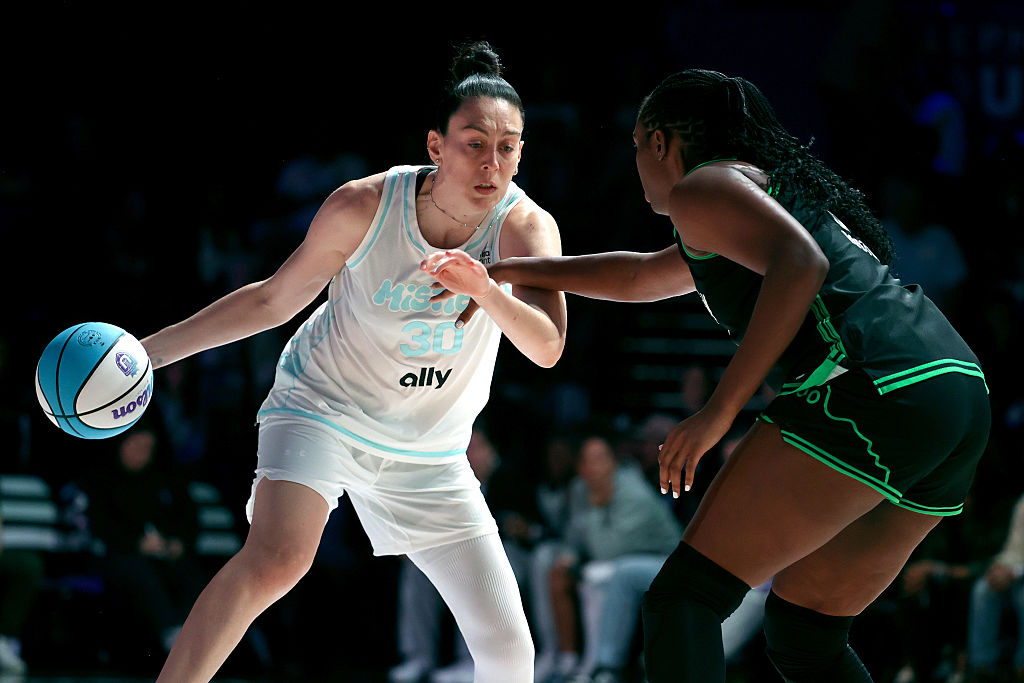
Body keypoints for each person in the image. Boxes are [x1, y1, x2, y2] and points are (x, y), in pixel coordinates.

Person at [450, 69, 991, 682]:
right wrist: (509, 272)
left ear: (659, 142)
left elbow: (800, 264)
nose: (637, 165)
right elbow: (642, 276)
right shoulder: (751, 194)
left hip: (876, 382)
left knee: (685, 599)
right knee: (804, 631)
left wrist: (718, 411)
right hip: (955, 391)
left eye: (635, 146)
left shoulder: (703, 187)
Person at [138, 40, 565, 683]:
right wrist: (150, 353)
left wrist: (484, 290)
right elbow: (275, 299)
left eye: (507, 146)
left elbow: (547, 348)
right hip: (323, 407)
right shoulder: (364, 205)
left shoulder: (526, 227)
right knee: (280, 558)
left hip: (432, 449)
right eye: (474, 142)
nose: (491, 161)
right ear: (436, 146)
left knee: (510, 652)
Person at [968, 492, 1024, 681]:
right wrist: (999, 566)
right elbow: (1014, 548)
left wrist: (1014, 572)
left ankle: (1021, 666)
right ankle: (983, 666)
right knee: (983, 589)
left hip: (1019, 575)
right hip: (1016, 571)